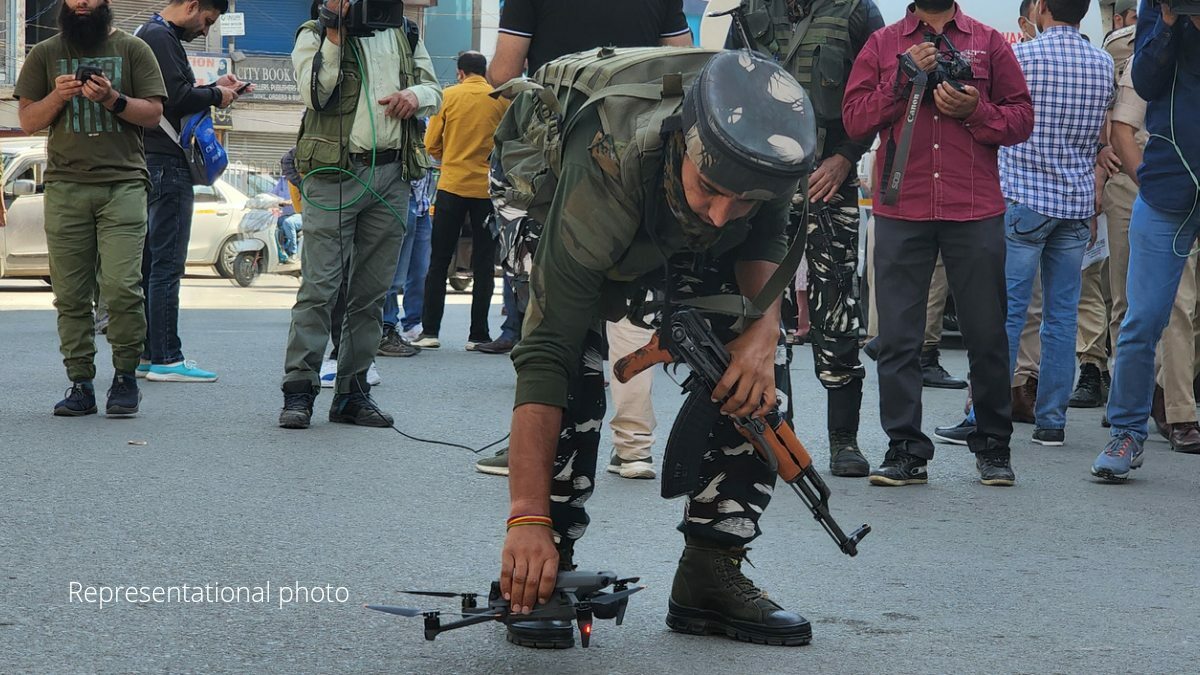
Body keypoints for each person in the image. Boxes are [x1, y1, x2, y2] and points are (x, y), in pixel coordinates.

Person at [498, 49, 815, 649]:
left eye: (742, 199)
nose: (725, 215)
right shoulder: (608, 163)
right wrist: (526, 516)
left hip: (666, 216)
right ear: (683, 145)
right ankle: (545, 560)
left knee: (753, 370)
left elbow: (765, 234)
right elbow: (545, 354)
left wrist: (761, 336)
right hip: (552, 192)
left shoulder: (769, 148)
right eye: (714, 189)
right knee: (578, 364)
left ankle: (710, 573)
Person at [474, 0, 694, 478]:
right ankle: (634, 446)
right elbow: (683, 58)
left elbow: (504, 73)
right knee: (632, 294)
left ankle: (541, 445)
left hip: (564, 156)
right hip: (638, 153)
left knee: (553, 300)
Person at [843, 0, 1033, 486]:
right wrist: (900, 83)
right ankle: (905, 449)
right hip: (901, 206)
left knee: (987, 333)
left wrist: (975, 110)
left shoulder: (987, 41)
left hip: (973, 207)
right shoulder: (883, 44)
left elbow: (1021, 119)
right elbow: (855, 119)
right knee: (899, 339)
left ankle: (993, 445)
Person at [732, 0, 884, 478]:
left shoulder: (857, 11)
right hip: (761, 180)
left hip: (829, 178)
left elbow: (878, 95)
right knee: (760, 308)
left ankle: (844, 439)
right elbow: (722, 90)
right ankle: (777, 430)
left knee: (838, 306)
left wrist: (846, 156)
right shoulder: (748, 11)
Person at [278, 0, 441, 429]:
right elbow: (314, 93)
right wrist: (335, 30)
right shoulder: (314, 32)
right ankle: (299, 390)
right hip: (333, 174)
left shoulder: (405, 32)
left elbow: (433, 90)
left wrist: (414, 97)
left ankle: (352, 393)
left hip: (392, 175)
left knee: (370, 294)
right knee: (320, 287)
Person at [16, 0, 167, 417]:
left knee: (121, 287)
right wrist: (58, 96)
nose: (81, 2)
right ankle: (80, 383)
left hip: (124, 183)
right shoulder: (44, 53)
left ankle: (124, 377)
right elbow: (28, 120)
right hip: (65, 186)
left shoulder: (134, 50)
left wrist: (113, 98)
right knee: (70, 294)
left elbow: (154, 114)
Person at [1094, 1, 1200, 480]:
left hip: (1168, 184)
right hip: (1169, 185)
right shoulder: (1160, 7)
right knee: (1143, 319)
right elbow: (1148, 82)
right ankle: (1126, 433)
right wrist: (1173, 21)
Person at [135, 0, 242, 384]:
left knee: (152, 264)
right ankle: (166, 356)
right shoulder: (161, 37)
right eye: (208, 21)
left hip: (152, 161)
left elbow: (171, 93)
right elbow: (176, 99)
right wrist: (217, 96)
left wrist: (213, 89)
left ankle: (150, 354)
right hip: (167, 164)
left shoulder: (151, 34)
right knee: (166, 265)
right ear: (193, 5)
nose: (205, 31)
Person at [1067, 0, 1139, 410]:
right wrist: (1101, 153)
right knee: (1098, 280)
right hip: (1112, 179)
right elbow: (1103, 111)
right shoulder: (1110, 51)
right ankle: (1095, 368)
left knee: (1123, 286)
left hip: (1141, 174)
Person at [412, 52, 509, 351]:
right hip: (486, 192)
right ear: (484, 72)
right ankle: (478, 334)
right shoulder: (501, 100)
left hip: (451, 186)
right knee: (483, 262)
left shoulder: (448, 96)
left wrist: (450, 158)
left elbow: (431, 145)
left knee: (439, 259)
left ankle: (430, 331)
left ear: (460, 73)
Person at [379, 169, 434, 358]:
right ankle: (386, 329)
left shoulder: (424, 140)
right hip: (400, 200)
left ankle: (411, 324)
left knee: (420, 272)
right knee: (394, 277)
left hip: (422, 205)